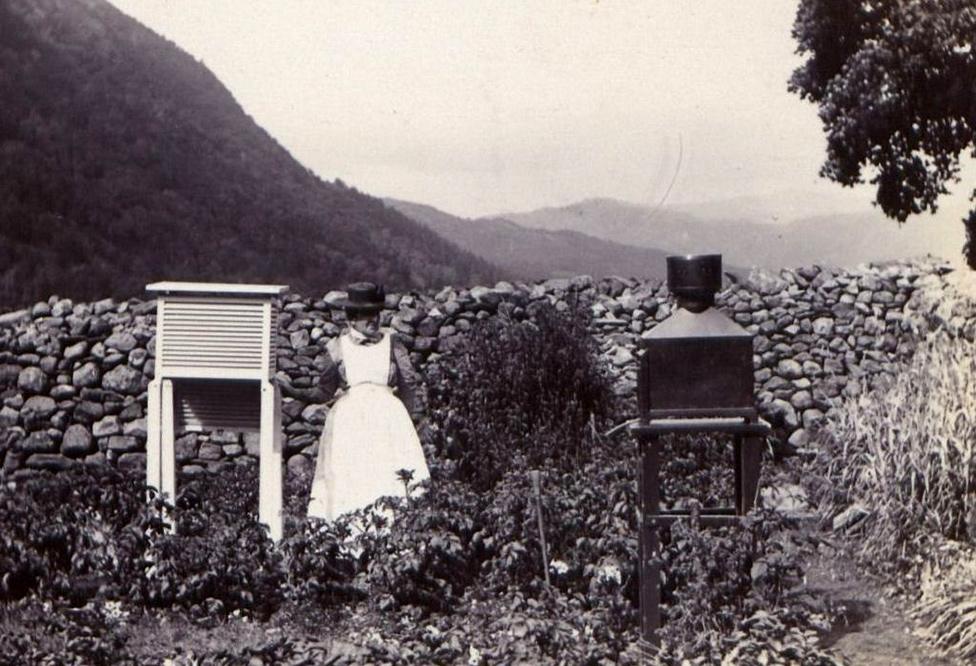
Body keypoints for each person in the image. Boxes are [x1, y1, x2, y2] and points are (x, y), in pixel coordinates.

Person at [307, 282, 431, 520]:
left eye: (376, 313)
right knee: (351, 477)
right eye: (366, 315)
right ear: (351, 318)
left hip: (388, 420)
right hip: (350, 422)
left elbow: (409, 385)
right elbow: (324, 391)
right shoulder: (337, 347)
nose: (373, 320)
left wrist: (408, 422)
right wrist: (292, 390)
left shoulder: (392, 344)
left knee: (390, 474)